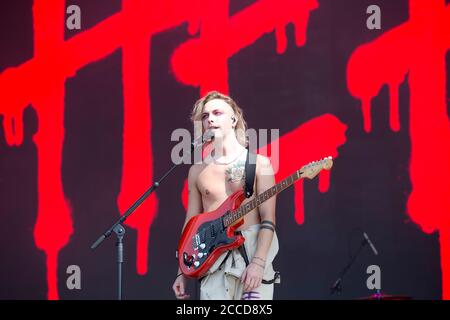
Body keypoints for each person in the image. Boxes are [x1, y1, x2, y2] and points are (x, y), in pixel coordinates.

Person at [172, 91, 280, 300]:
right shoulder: (197, 170)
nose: (210, 118)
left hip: (250, 258)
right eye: (205, 116)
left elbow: (268, 218)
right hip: (213, 263)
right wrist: (182, 271)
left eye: (217, 112)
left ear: (233, 119)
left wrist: (258, 263)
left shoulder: (260, 164)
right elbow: (191, 224)